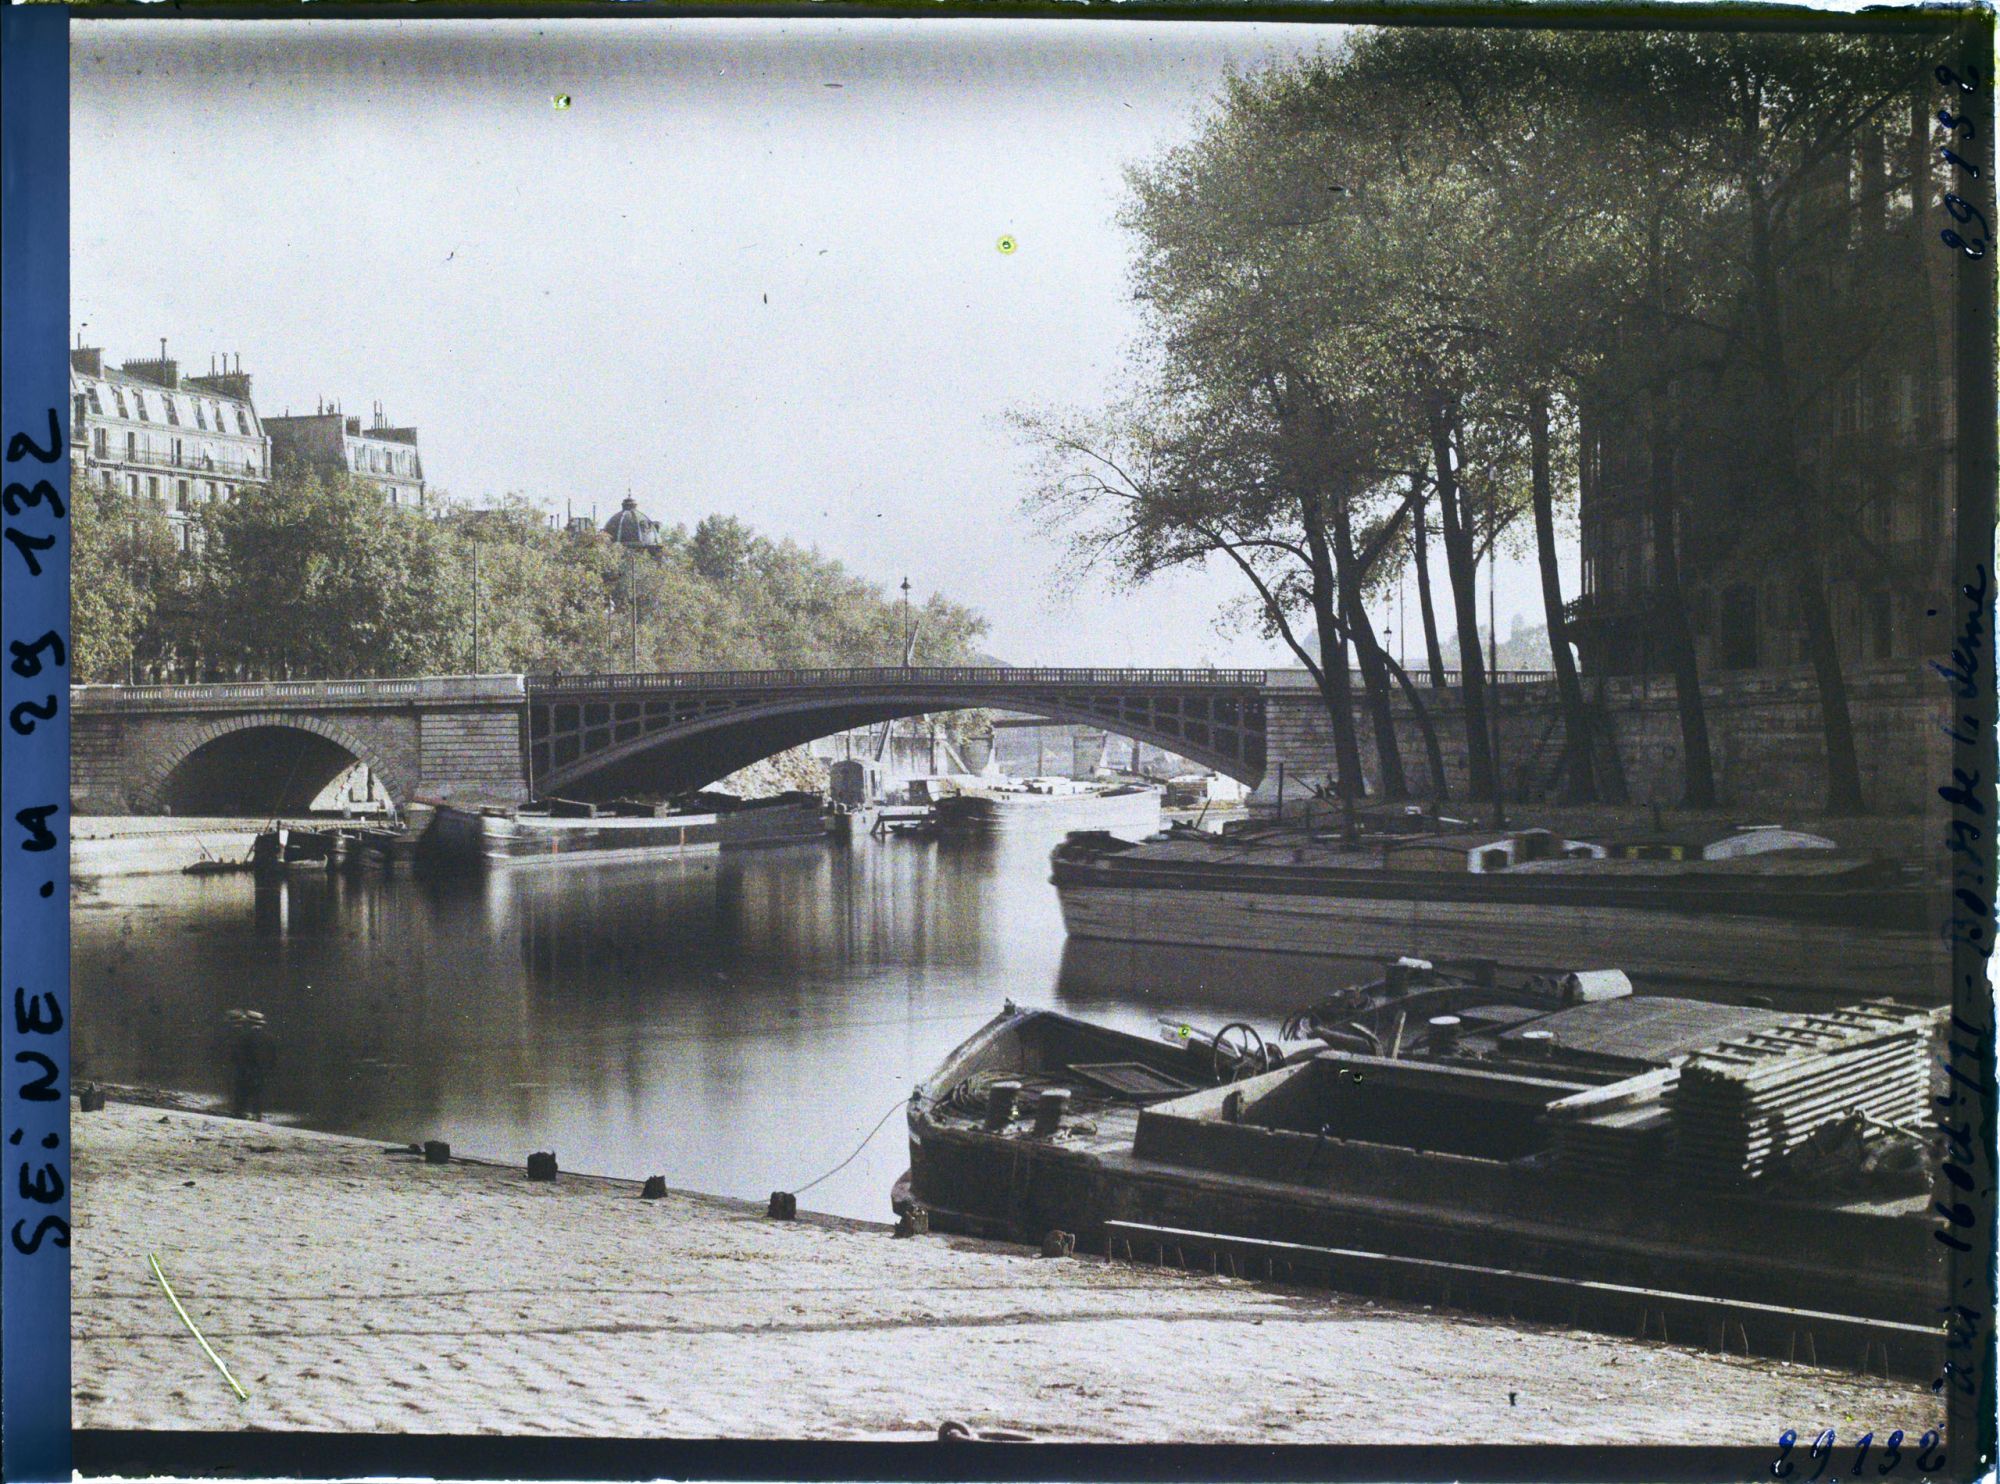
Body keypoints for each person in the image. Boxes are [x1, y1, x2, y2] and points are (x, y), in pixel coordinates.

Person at [224, 1009, 276, 1120]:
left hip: (246, 1068)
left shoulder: (245, 1036)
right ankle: (257, 1114)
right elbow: (273, 1055)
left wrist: (239, 1065)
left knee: (242, 1090)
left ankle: (239, 1112)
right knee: (258, 1091)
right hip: (262, 1070)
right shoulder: (269, 1037)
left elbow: (239, 1054)